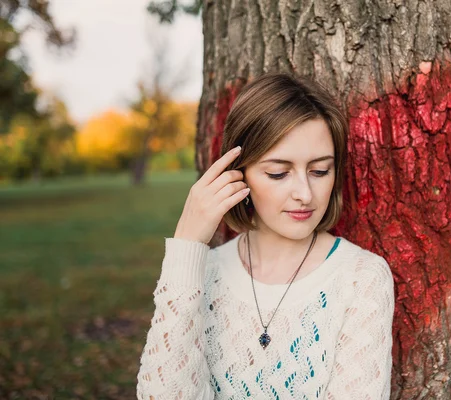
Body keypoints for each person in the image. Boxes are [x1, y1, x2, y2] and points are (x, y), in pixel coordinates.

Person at [136, 72, 395, 399]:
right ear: (238, 174)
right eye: (278, 172)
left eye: (319, 171)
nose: (305, 193)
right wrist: (186, 246)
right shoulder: (200, 274)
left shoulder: (362, 279)